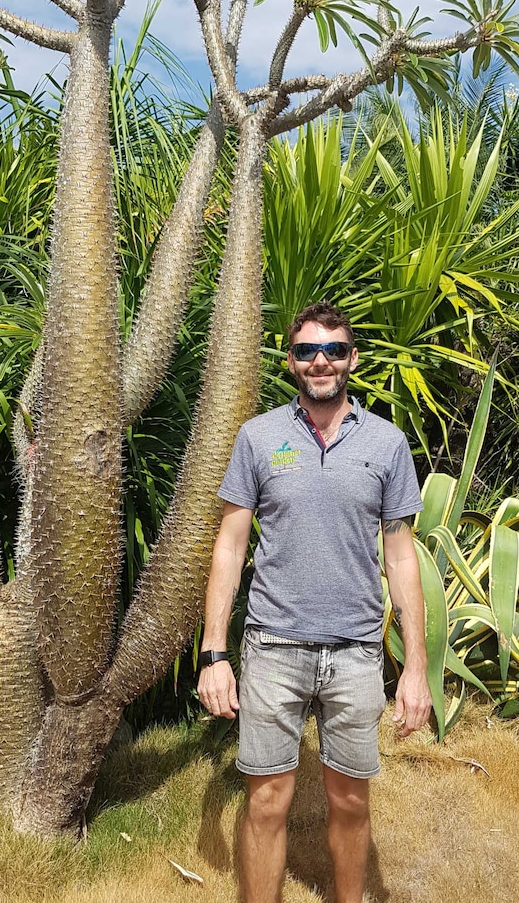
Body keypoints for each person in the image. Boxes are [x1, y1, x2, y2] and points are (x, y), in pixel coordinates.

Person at [197, 301, 432, 903]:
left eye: (332, 350)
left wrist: (415, 668)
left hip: (355, 651)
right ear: (291, 361)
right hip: (273, 646)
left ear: (352, 358)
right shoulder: (259, 437)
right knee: (267, 800)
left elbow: (401, 558)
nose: (320, 361)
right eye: (306, 351)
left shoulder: (386, 443)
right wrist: (213, 652)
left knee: (350, 800)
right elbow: (230, 543)